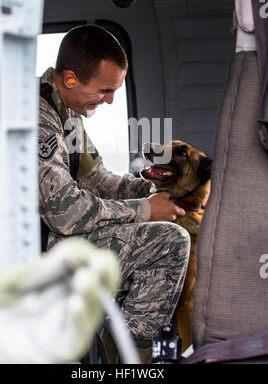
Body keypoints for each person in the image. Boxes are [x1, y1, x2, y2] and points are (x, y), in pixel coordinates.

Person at [38, 24, 190, 361]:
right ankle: (133, 359)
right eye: (105, 90)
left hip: (58, 241)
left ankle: (118, 344)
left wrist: (154, 190)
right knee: (169, 243)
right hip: (40, 254)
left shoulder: (67, 113)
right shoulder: (39, 121)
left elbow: (98, 180)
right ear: (71, 79)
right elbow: (66, 213)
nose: (110, 100)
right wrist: (144, 210)